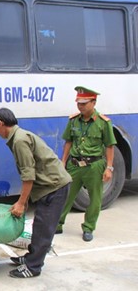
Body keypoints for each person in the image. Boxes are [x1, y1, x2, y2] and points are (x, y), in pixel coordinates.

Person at [0, 108, 72, 279]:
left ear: (0, 123)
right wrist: (25, 198)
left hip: (54, 187)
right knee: (39, 227)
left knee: (44, 229)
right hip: (49, 186)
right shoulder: (19, 137)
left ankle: (33, 267)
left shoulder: (19, 140)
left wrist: (21, 202)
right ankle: (30, 258)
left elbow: (28, 175)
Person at [56, 86, 116, 242]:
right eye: (78, 103)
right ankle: (58, 224)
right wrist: (63, 161)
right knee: (66, 195)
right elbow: (68, 142)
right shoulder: (74, 120)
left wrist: (109, 168)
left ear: (93, 102)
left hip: (94, 166)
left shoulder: (103, 123)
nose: (80, 106)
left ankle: (88, 228)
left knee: (95, 199)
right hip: (74, 165)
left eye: (84, 103)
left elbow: (109, 146)